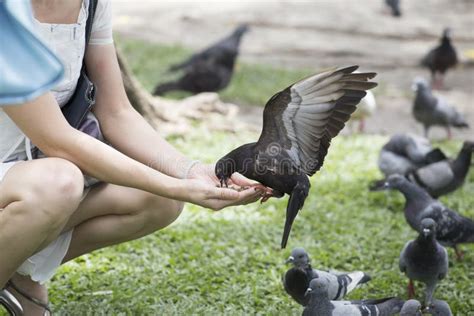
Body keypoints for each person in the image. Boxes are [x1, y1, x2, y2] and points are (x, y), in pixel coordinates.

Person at [0, 0, 267, 314]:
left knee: (156, 199)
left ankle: (17, 270)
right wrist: (177, 186)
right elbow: (58, 139)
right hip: (33, 174)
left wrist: (190, 172)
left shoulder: (91, 4)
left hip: (24, 173)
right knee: (59, 182)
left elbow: (117, 112)